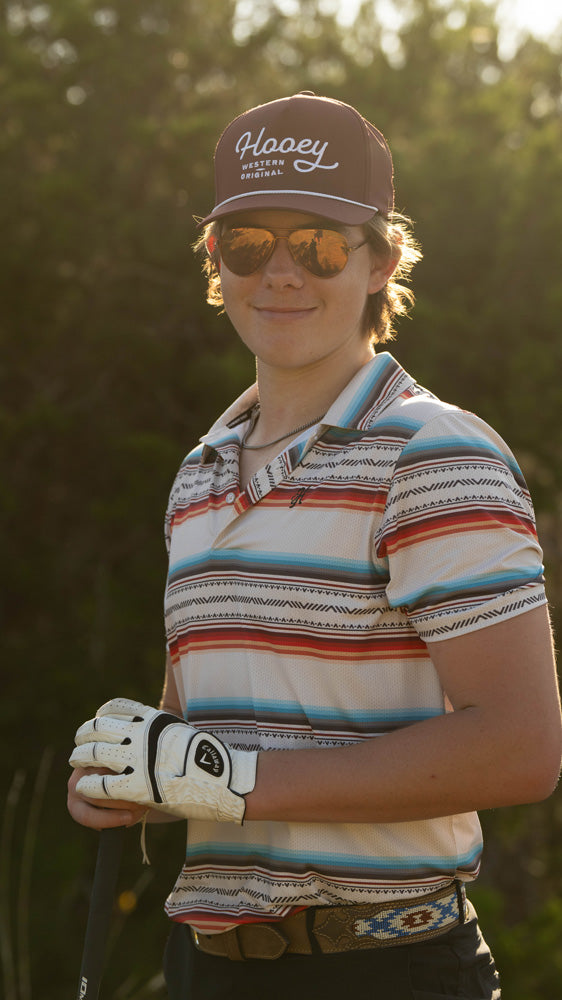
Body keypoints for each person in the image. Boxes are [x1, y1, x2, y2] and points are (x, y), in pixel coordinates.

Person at [68, 93, 562, 1000]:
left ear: (381, 260)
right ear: (215, 259)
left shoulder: (435, 453)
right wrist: (134, 774)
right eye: (250, 243)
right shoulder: (199, 474)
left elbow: (521, 747)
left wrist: (232, 780)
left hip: (388, 968)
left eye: (320, 244)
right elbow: (207, 742)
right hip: (207, 967)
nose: (282, 272)